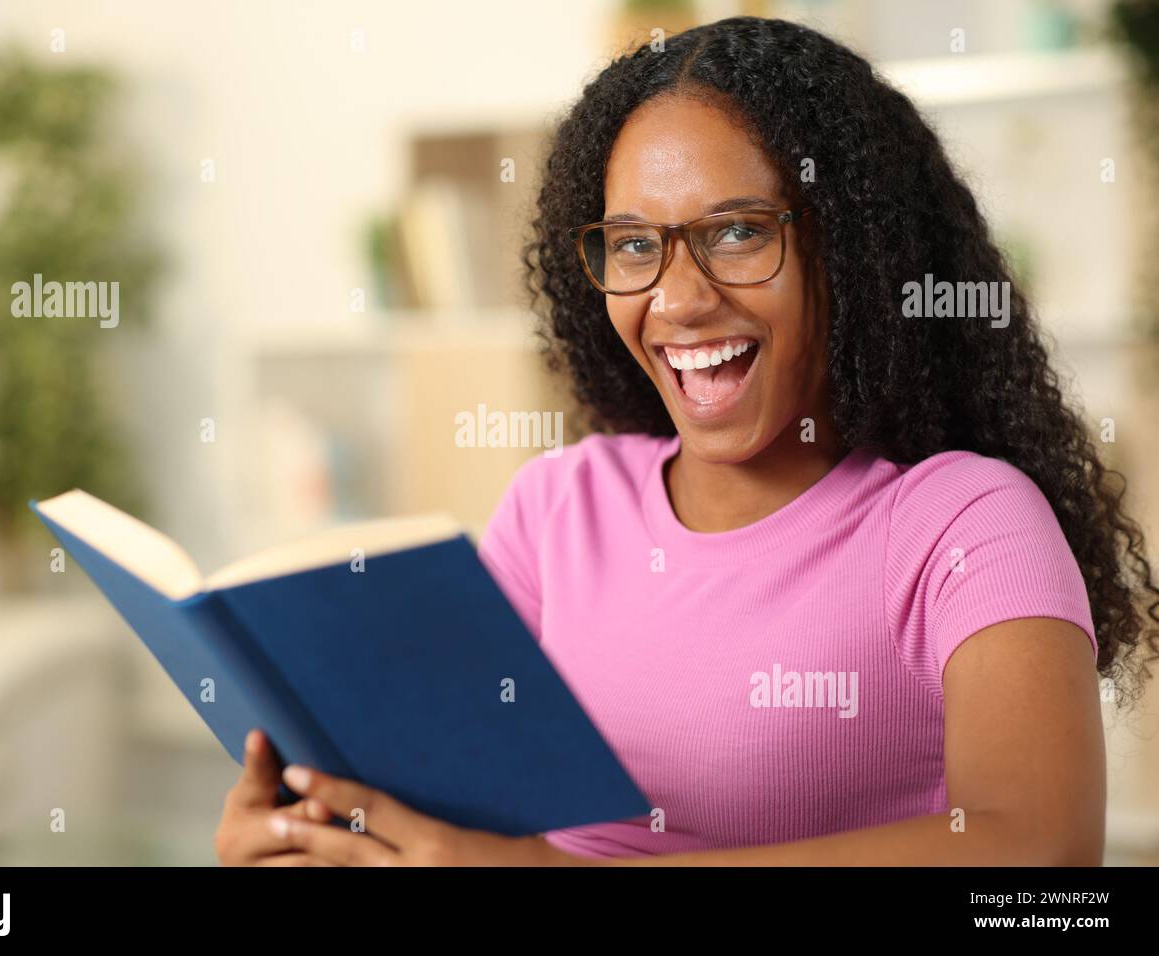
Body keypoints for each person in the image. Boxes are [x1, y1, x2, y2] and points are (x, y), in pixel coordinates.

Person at [214, 16, 1158, 866]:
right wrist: (310, 829)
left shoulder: (966, 523)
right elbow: (446, 813)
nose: (678, 299)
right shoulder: (558, 508)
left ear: (855, 249)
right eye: (633, 245)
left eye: (739, 232)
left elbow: (1040, 858)